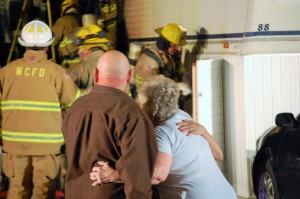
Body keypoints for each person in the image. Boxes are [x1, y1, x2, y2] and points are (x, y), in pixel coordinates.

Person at [90, 75, 237, 199]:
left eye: (142, 104)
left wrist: (114, 175)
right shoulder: (183, 116)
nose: (139, 108)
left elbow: (157, 176)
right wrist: (205, 132)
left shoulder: (161, 134)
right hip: (227, 194)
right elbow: (219, 155)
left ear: (152, 112)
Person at [0, 19, 80, 199]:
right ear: (47, 47)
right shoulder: (58, 73)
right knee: (43, 192)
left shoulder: (6, 72)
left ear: (24, 46)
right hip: (47, 147)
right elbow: (74, 106)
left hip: (14, 147)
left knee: (16, 191)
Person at [62, 50, 158, 199]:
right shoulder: (132, 115)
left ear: (96, 74)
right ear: (129, 76)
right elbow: (138, 180)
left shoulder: (75, 108)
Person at [132, 23, 187, 98]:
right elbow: (151, 95)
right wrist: (177, 88)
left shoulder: (166, 56)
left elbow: (171, 75)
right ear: (168, 44)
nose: (178, 49)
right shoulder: (151, 64)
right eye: (176, 45)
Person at [70, 24, 111, 93]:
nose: (78, 52)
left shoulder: (82, 69)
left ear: (87, 50)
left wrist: (85, 92)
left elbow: (67, 93)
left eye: (79, 48)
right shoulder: (117, 64)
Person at [51, 0, 82, 71]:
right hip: (84, 62)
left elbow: (52, 40)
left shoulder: (63, 20)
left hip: (71, 64)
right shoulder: (82, 20)